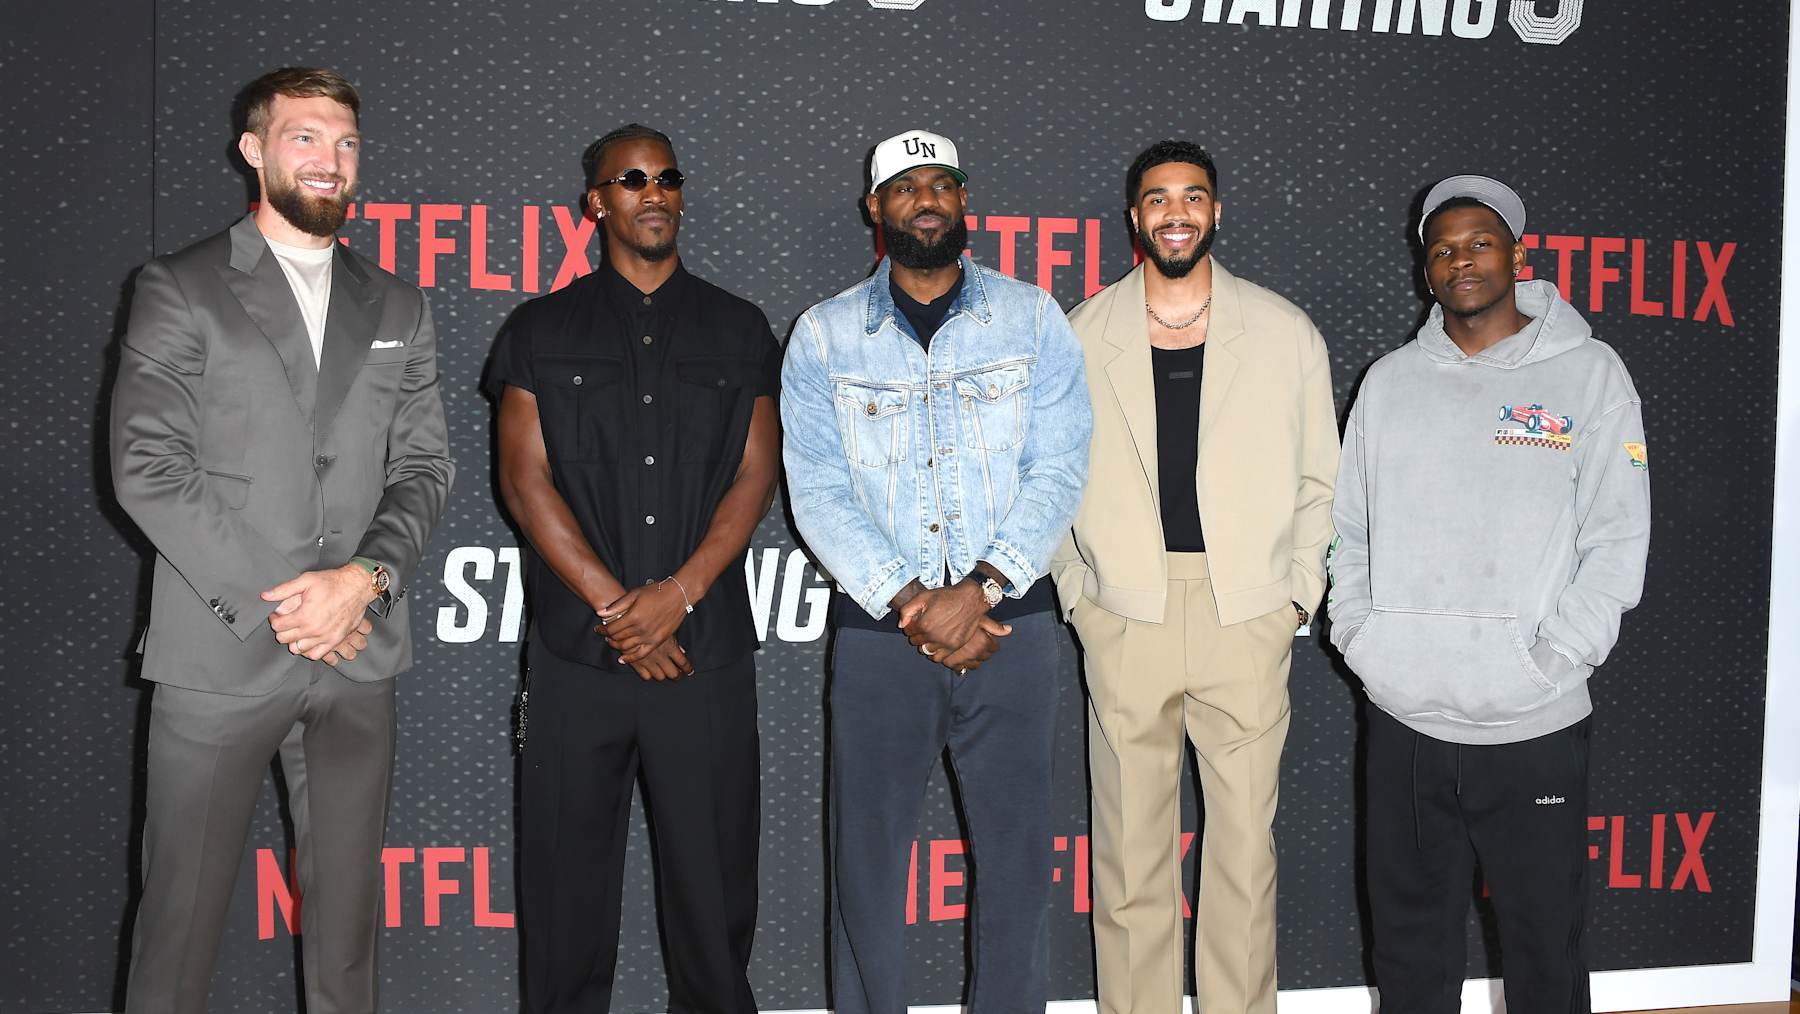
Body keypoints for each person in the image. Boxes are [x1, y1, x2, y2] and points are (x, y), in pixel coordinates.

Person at [111, 66, 453, 1013]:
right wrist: (304, 599)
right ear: (253, 151)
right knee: (178, 928)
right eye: (304, 137)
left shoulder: (400, 304)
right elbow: (149, 469)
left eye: (345, 143)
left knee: (347, 941)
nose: (330, 160)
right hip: (221, 654)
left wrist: (363, 584)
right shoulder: (178, 287)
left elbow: (423, 469)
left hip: (358, 653)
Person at [781, 128, 1092, 1013]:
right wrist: (916, 601)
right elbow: (818, 489)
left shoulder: (1033, 318)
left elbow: (1061, 465)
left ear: (964, 203)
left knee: (1019, 863)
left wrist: (983, 585)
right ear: (874, 209)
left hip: (1012, 627)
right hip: (882, 631)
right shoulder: (825, 335)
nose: (926, 199)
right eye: (905, 186)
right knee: (868, 868)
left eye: (942, 184)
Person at [1329, 175, 1651, 1013]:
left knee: (1545, 949)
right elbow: (1348, 531)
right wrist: (1369, 643)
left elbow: (1617, 540)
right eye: (1441, 248)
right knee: (1408, 949)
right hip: (1404, 720)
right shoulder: (1390, 381)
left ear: (1516, 254)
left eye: (1478, 242)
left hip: (1533, 718)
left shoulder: (1589, 374)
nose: (1459, 259)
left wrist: (1552, 661)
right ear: (1423, 268)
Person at [487, 123, 781, 1014]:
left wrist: (680, 595)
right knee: (565, 906)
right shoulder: (540, 329)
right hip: (581, 659)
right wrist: (622, 610)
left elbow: (756, 473)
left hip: (705, 656)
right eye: (630, 179)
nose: (652, 192)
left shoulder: (739, 328)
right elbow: (522, 480)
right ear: (598, 202)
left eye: (667, 178)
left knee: (714, 902)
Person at [1050, 139, 1339, 1014]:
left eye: (1193, 197)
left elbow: (1319, 481)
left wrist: (1293, 595)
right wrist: (1077, 592)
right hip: (1124, 613)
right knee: (1129, 854)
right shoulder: (1079, 332)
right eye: (1158, 199)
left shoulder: (1285, 332)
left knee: (1244, 855)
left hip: (1244, 611)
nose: (1176, 212)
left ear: (1216, 211)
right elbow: (1050, 478)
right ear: (1133, 216)